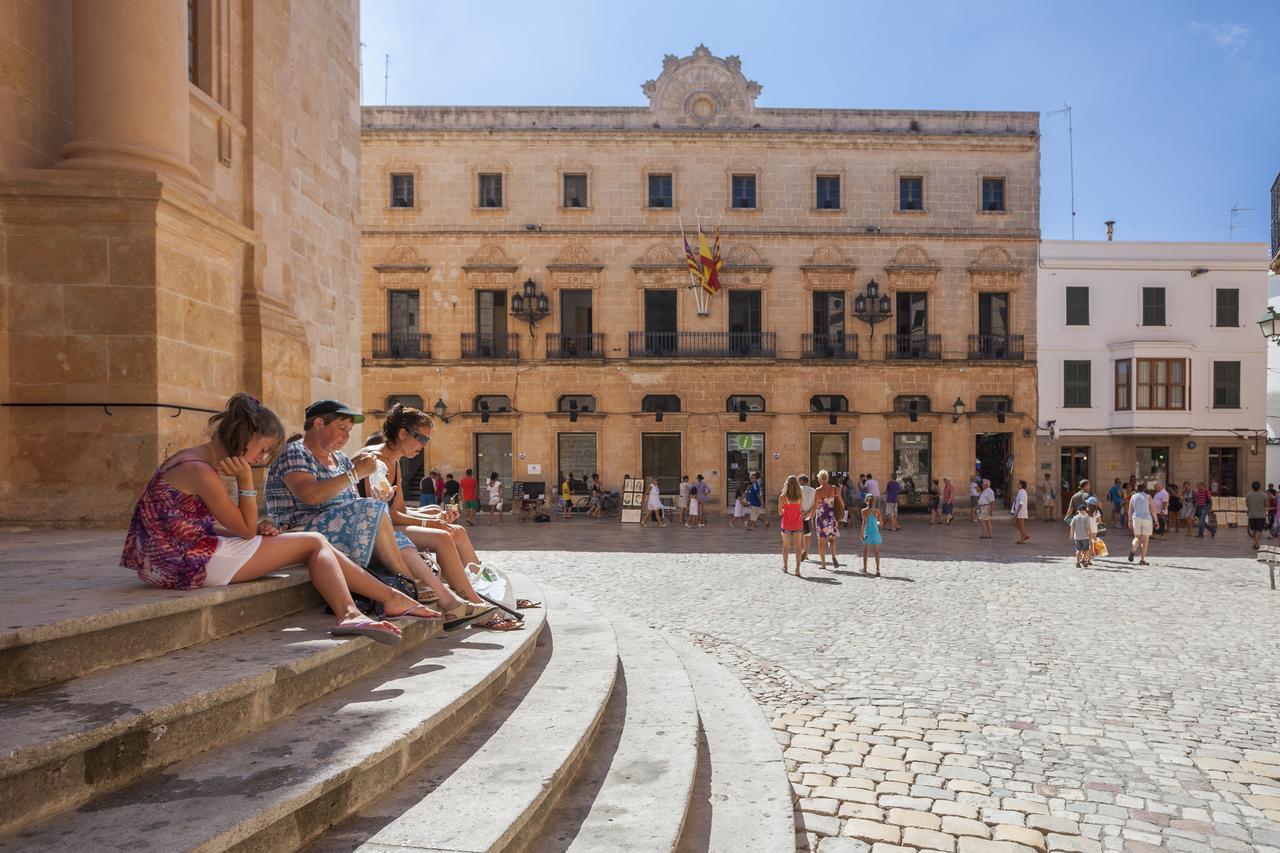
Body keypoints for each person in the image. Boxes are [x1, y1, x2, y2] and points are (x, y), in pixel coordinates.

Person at [123, 394, 427, 645]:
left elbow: (184, 524)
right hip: (184, 564)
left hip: (168, 559)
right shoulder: (200, 470)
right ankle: (359, 610)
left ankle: (384, 600)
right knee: (314, 542)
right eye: (263, 449)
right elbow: (242, 530)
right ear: (246, 436)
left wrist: (255, 527)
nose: (260, 458)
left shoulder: (190, 460)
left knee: (311, 542)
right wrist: (245, 480)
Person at [266, 400, 494, 633]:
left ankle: (450, 601)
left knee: (388, 524)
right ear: (317, 424)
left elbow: (355, 503)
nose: (346, 436)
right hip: (301, 529)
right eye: (342, 428)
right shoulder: (295, 452)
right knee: (374, 511)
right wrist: (356, 475)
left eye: (349, 431)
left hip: (339, 531)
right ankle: (411, 586)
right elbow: (310, 495)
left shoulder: (341, 459)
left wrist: (380, 498)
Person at [360, 405, 518, 630]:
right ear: (402, 433)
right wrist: (430, 522)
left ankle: (482, 592)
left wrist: (434, 515)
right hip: (374, 531)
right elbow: (384, 515)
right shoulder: (374, 460)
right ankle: (475, 604)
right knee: (442, 536)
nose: (424, 446)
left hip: (386, 525)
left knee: (454, 531)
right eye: (421, 439)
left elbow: (398, 509)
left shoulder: (394, 463)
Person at [812, 470, 844, 570]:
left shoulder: (818, 490)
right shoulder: (834, 488)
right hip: (831, 516)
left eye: (818, 478)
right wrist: (841, 512)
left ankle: (823, 564)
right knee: (831, 538)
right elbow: (841, 502)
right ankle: (833, 556)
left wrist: (811, 516)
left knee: (821, 540)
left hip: (821, 516)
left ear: (821, 479)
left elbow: (815, 506)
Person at [778, 475, 805, 576]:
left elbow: (780, 512)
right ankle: (797, 569)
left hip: (786, 524)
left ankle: (785, 566)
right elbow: (800, 509)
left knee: (786, 547)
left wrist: (785, 510)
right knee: (798, 547)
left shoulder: (782, 497)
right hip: (797, 524)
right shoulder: (800, 496)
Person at [1128, 483, 1154, 565]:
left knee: (1137, 537)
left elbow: (1130, 510)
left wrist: (1129, 521)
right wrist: (1156, 520)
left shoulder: (1133, 497)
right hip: (1147, 519)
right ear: (1145, 488)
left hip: (1136, 518)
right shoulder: (1148, 497)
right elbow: (1153, 510)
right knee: (1145, 540)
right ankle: (1142, 559)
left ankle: (1133, 550)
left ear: (1136, 488)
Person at [860, 494, 883, 576]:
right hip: (875, 533)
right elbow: (881, 523)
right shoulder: (878, 511)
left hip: (867, 533)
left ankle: (865, 568)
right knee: (876, 552)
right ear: (873, 501)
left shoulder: (863, 511)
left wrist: (861, 534)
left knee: (865, 552)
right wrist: (876, 523)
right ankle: (877, 570)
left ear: (866, 501)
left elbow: (864, 523)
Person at [1069, 503, 1093, 570]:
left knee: (1078, 550)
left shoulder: (1075, 517)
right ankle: (1084, 560)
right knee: (1086, 549)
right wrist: (1091, 534)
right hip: (1085, 537)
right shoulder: (1086, 517)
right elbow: (1088, 528)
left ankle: (1077, 562)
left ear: (1078, 511)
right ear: (1085, 511)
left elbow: (1072, 527)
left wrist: (1071, 534)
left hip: (1077, 537)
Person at [798, 475, 816, 559]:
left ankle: (802, 550)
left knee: (800, 534)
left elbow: (797, 502)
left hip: (799, 514)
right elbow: (814, 504)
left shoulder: (798, 489)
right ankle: (806, 552)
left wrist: (801, 512)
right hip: (809, 514)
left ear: (801, 481)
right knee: (807, 535)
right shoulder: (813, 490)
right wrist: (808, 512)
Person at [1247, 480, 1268, 550]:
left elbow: (1247, 504)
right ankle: (1255, 542)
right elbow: (1267, 505)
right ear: (1259, 487)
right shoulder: (1264, 495)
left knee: (1254, 530)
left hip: (1251, 515)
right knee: (1259, 530)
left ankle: (1256, 543)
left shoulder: (1248, 495)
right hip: (1261, 515)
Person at [1012, 479, 1030, 543]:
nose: (1017, 485)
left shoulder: (1023, 492)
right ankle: (1023, 537)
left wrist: (1017, 512)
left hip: (1021, 512)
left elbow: (1021, 503)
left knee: (1020, 525)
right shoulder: (1020, 492)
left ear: (1022, 485)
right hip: (1019, 511)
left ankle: (1024, 536)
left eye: (1019, 484)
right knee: (1017, 525)